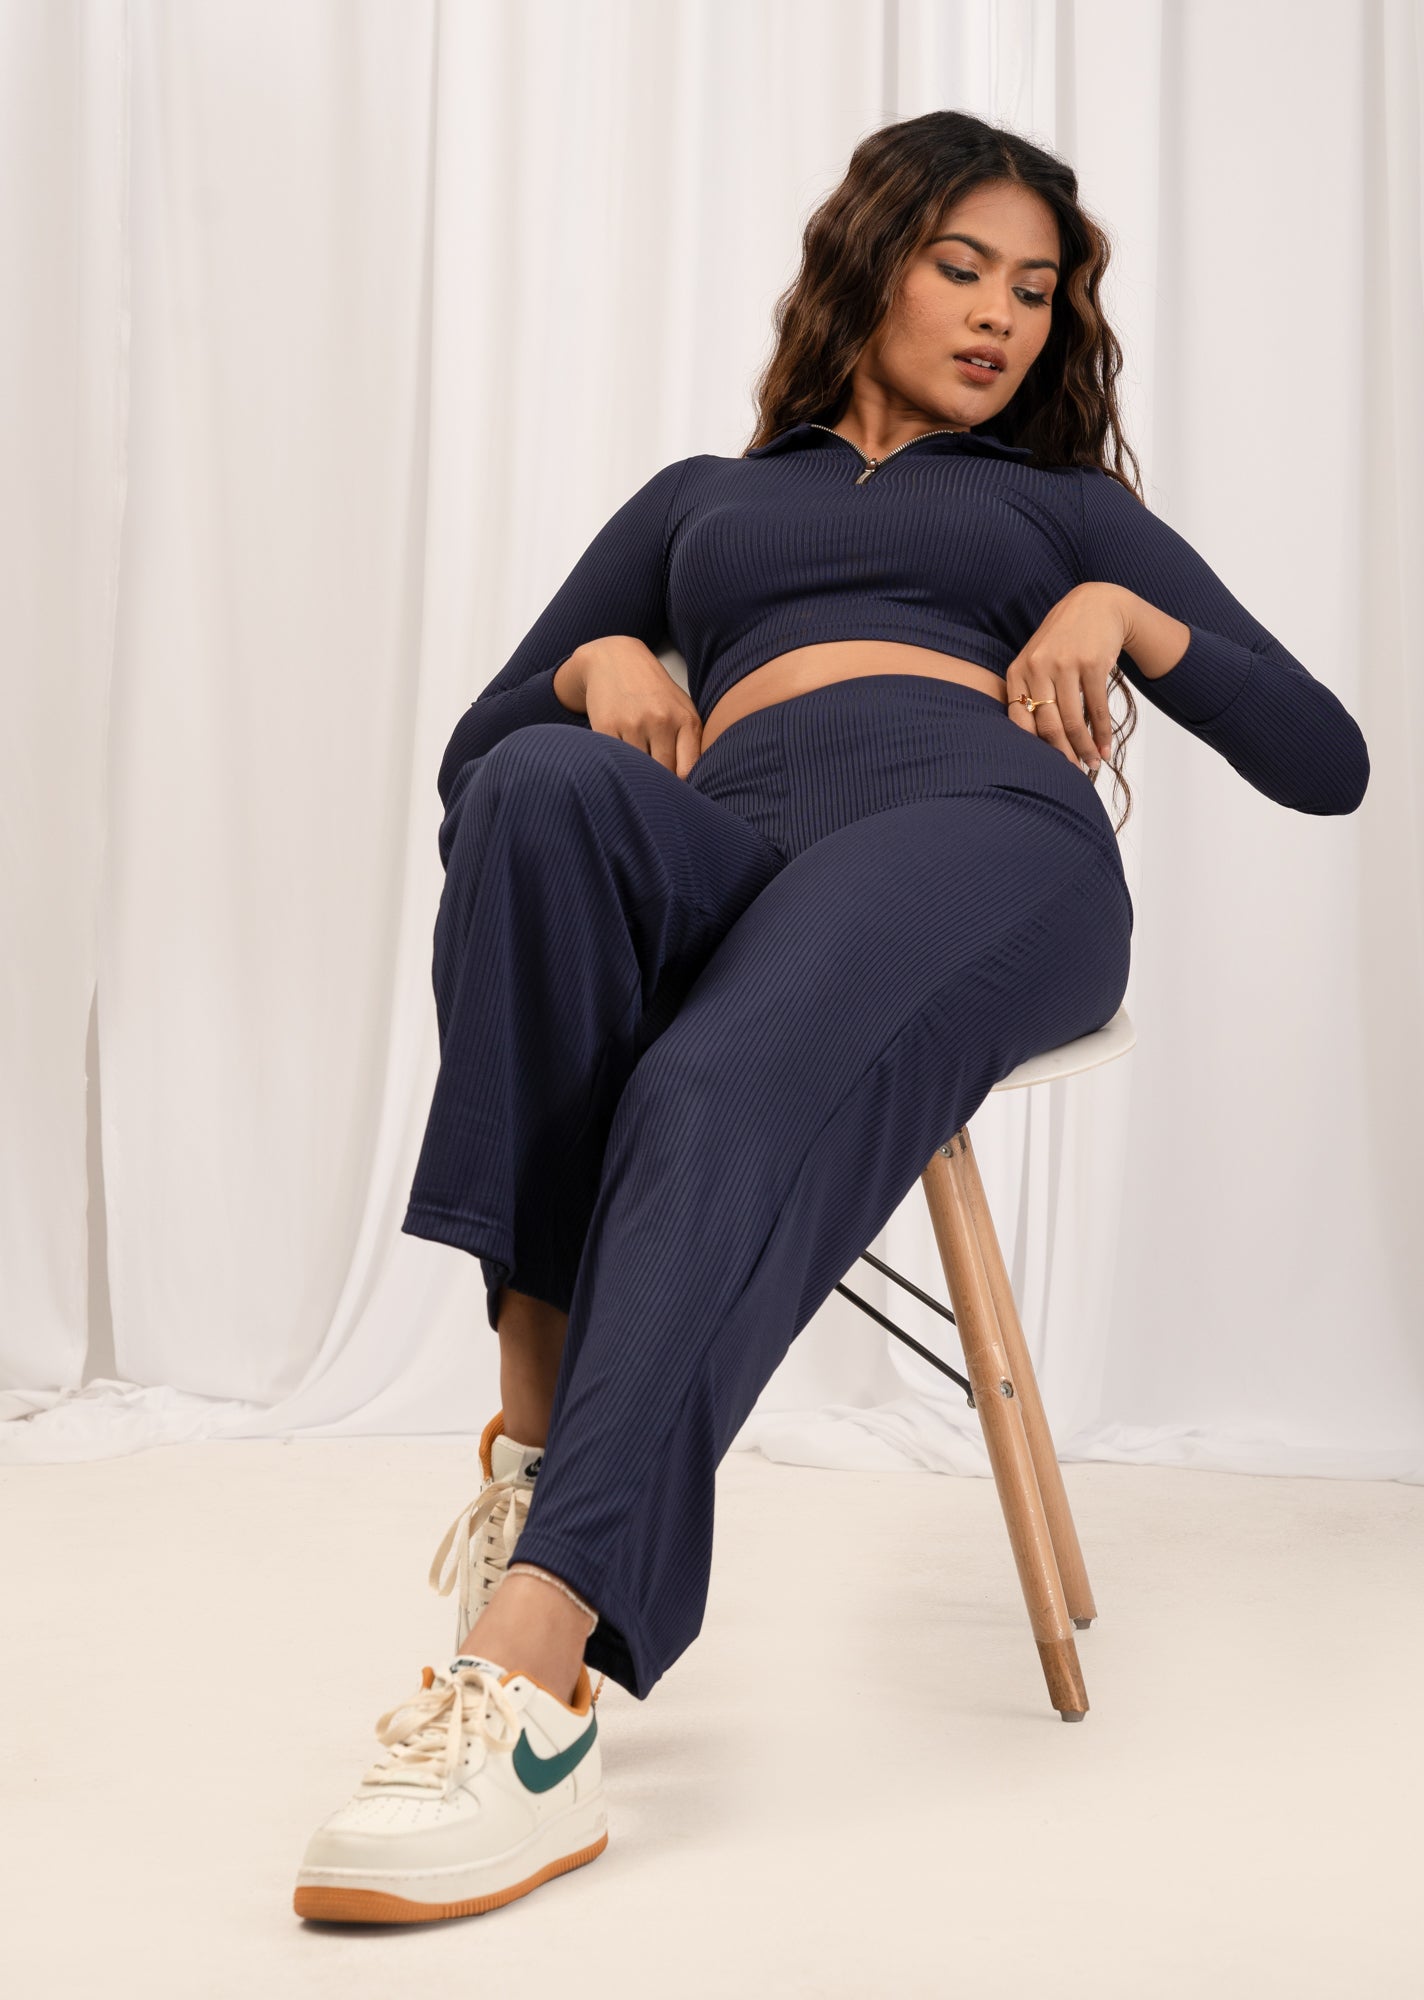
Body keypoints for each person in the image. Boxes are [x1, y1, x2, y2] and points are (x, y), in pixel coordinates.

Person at [293, 109, 1369, 1925]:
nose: (1002, 315)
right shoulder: (699, 504)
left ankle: (533, 1677)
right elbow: (481, 763)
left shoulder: (1063, 508)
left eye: (1036, 289)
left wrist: (1120, 611)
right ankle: (539, 1442)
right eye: (963, 267)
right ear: (869, 264)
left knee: (713, 1077)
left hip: (979, 840)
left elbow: (1324, 759)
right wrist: (600, 661)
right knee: (545, 790)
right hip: (740, 858)